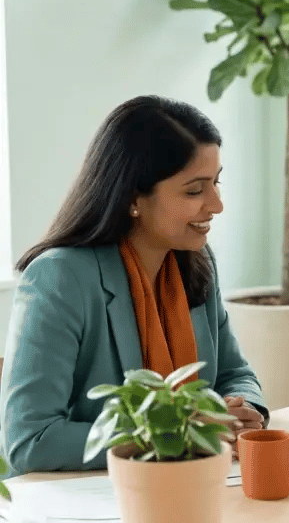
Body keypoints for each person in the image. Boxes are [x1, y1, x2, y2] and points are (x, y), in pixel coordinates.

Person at [1, 96, 267, 475]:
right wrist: (181, 430)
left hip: (192, 483)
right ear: (133, 199)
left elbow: (234, 373)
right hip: (80, 505)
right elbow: (31, 441)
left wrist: (243, 412)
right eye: (195, 190)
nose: (217, 204)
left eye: (216, 182)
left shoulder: (196, 263)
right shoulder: (59, 278)